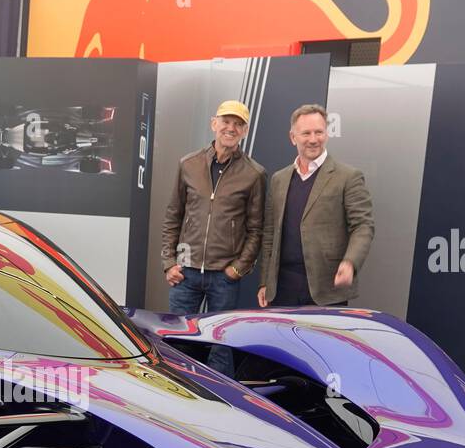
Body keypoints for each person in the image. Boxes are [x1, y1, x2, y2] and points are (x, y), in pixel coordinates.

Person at [159, 99, 266, 377]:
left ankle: (218, 408)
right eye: (226, 121)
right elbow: (174, 215)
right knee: (178, 344)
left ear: (244, 131)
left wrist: (237, 269)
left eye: (238, 124)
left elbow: (256, 229)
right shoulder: (188, 164)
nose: (230, 128)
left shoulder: (254, 174)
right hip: (185, 273)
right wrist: (169, 262)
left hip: (224, 277)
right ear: (214, 124)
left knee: (221, 348)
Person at [259, 103, 374, 309]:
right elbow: (270, 234)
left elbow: (363, 226)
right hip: (282, 290)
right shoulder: (279, 179)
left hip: (327, 290)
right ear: (293, 137)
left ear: (327, 134)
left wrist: (350, 262)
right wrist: (265, 282)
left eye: (319, 132)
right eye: (306, 133)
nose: (313, 139)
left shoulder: (348, 177)